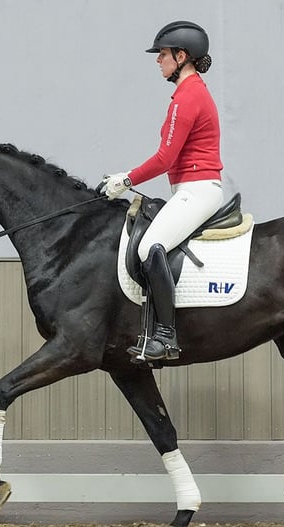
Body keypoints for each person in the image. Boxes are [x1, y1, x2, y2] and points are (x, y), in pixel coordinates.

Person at [103, 20, 224, 363]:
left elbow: (164, 158)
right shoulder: (188, 93)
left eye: (163, 54)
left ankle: (166, 336)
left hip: (198, 188)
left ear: (182, 56)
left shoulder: (188, 97)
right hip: (191, 187)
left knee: (149, 247)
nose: (159, 60)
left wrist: (126, 180)